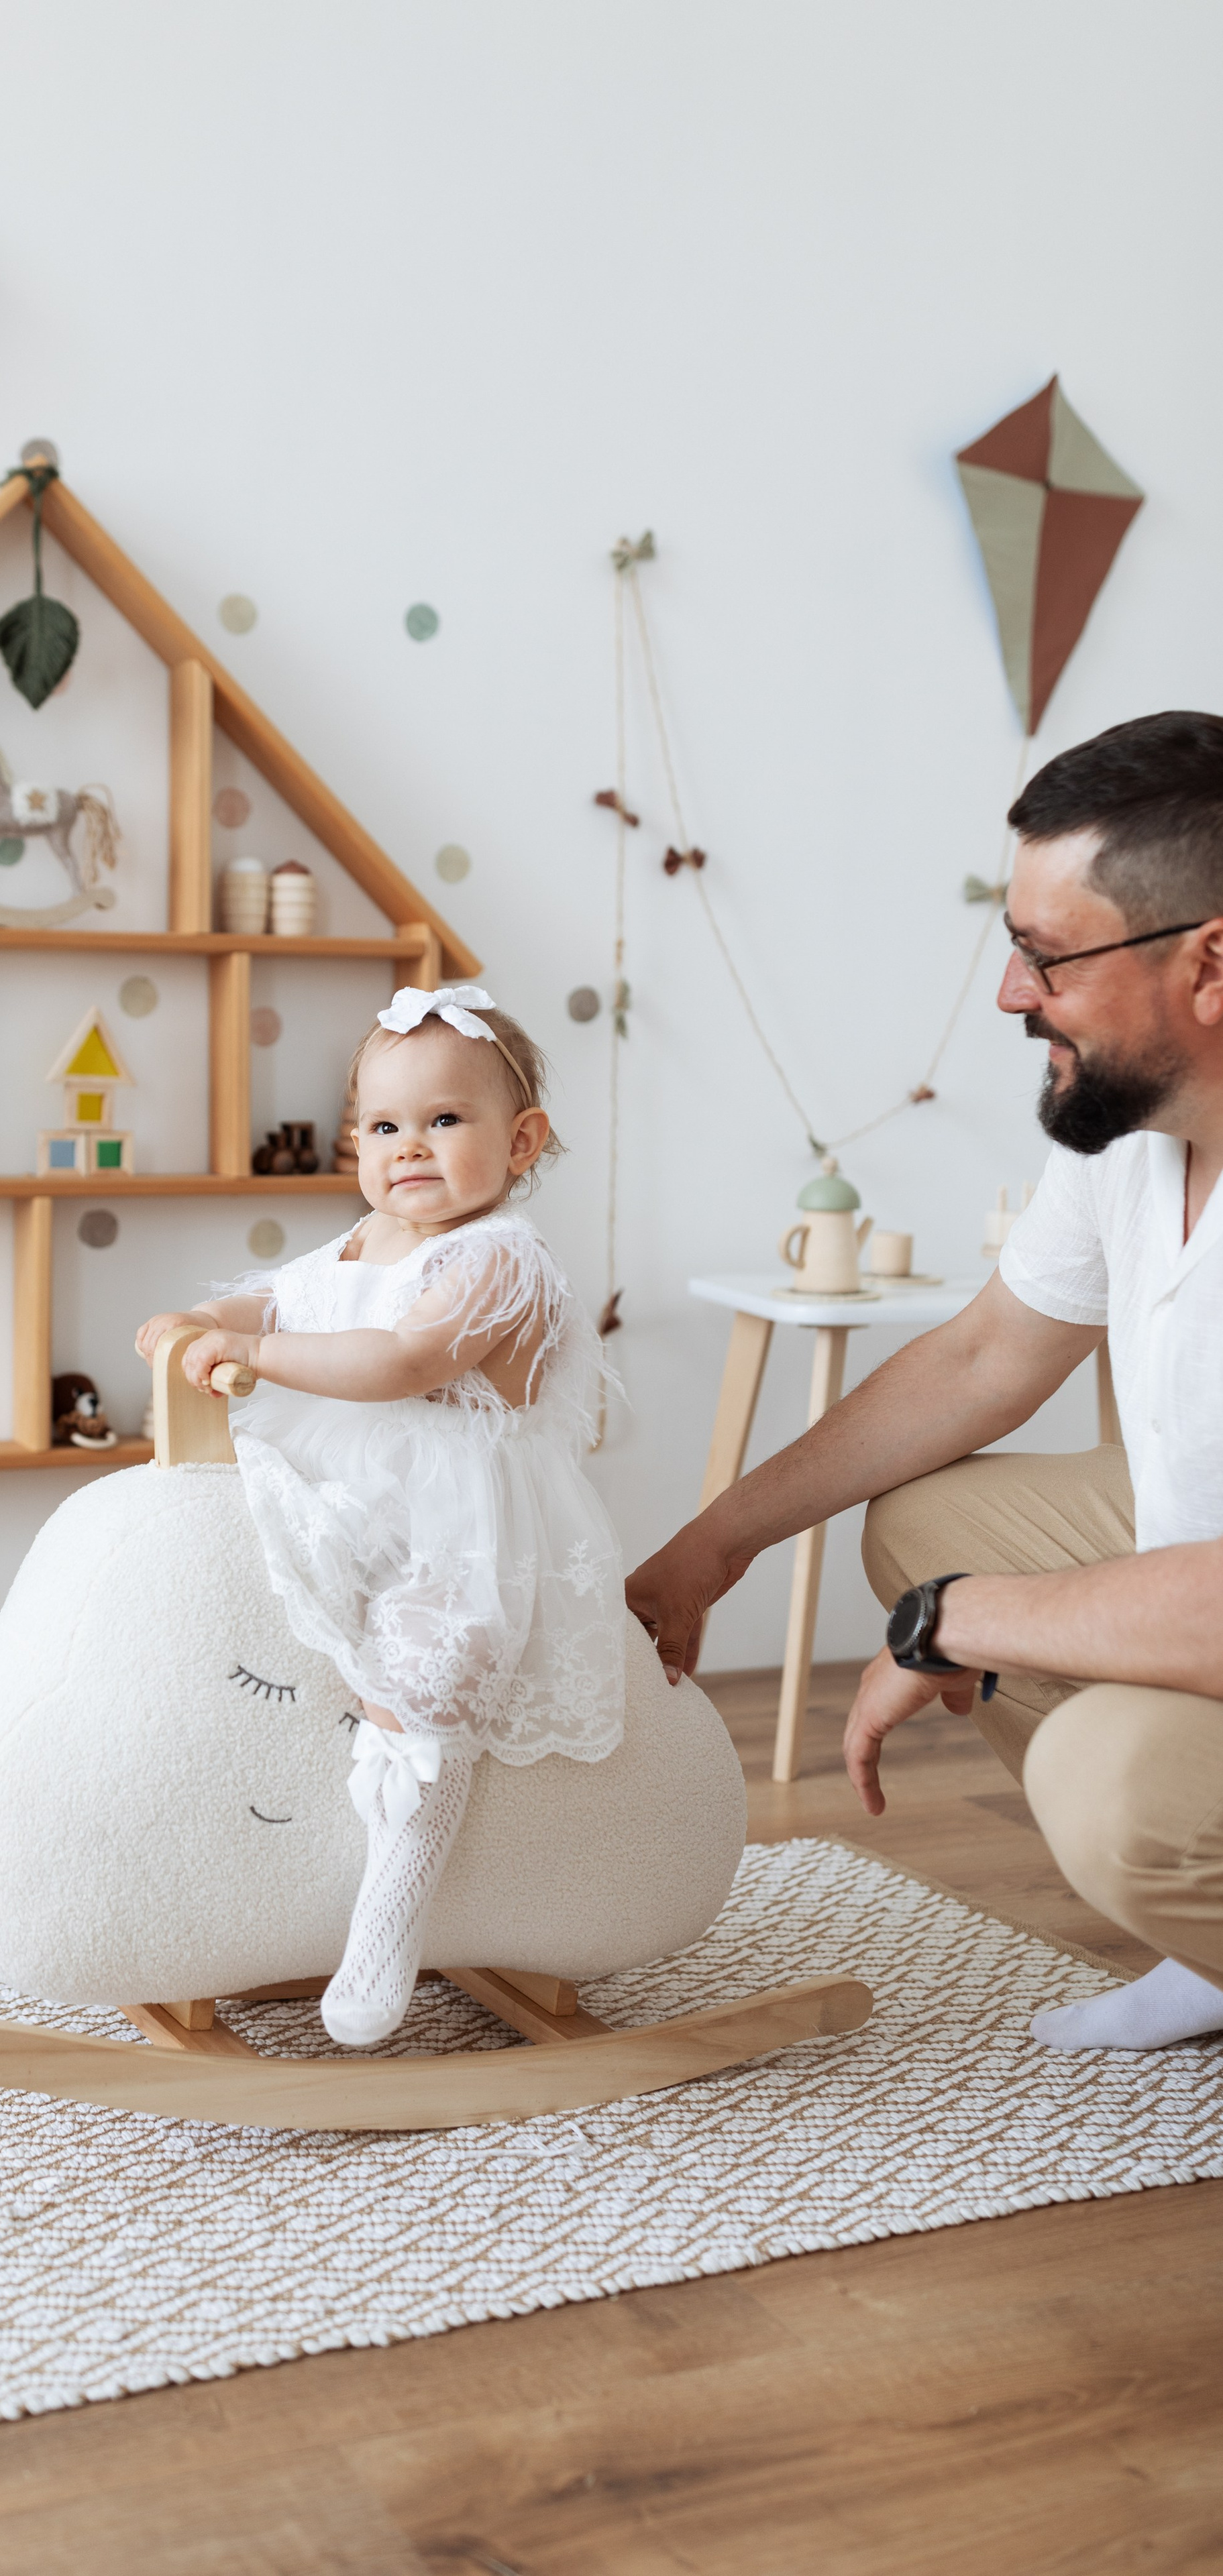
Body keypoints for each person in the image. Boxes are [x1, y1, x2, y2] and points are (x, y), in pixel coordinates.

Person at [628, 710, 1223, 2053]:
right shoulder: (1132, 1128)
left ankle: (1183, 1861)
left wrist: (957, 1622)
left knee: (1106, 1785)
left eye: (1043, 957)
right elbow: (979, 1357)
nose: (1009, 997)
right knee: (916, 1526)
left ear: (1209, 962)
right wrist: (711, 1543)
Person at [136, 985, 623, 2047]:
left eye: (445, 1121)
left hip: (460, 1519)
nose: (410, 1148)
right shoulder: (369, 1237)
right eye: (385, 1125)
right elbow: (281, 1299)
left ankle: (389, 1914)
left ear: (522, 1138)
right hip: (356, 1489)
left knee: (430, 1674)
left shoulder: (501, 1257)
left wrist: (256, 1358)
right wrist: (208, 1321)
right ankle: (254, 1872)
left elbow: (400, 1362)